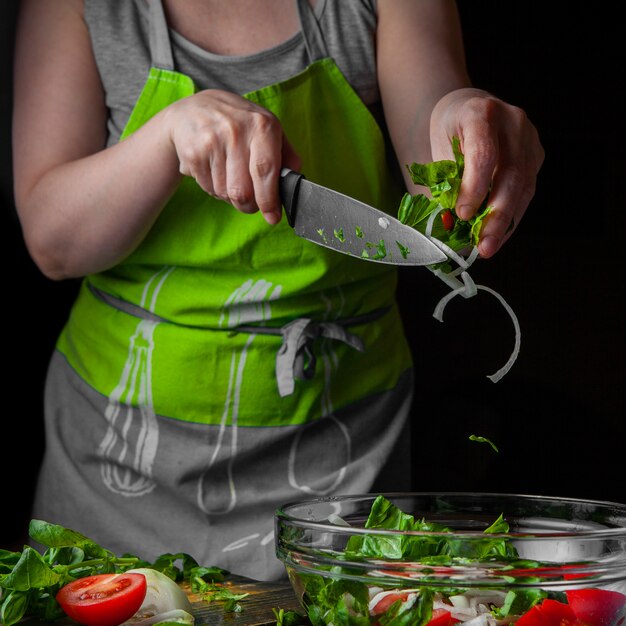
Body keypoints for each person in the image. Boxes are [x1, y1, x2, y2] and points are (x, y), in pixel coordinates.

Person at [12, 0, 543, 581]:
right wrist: (164, 137)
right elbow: (52, 243)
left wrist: (463, 124)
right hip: (122, 455)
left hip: (338, 458)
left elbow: (430, 144)